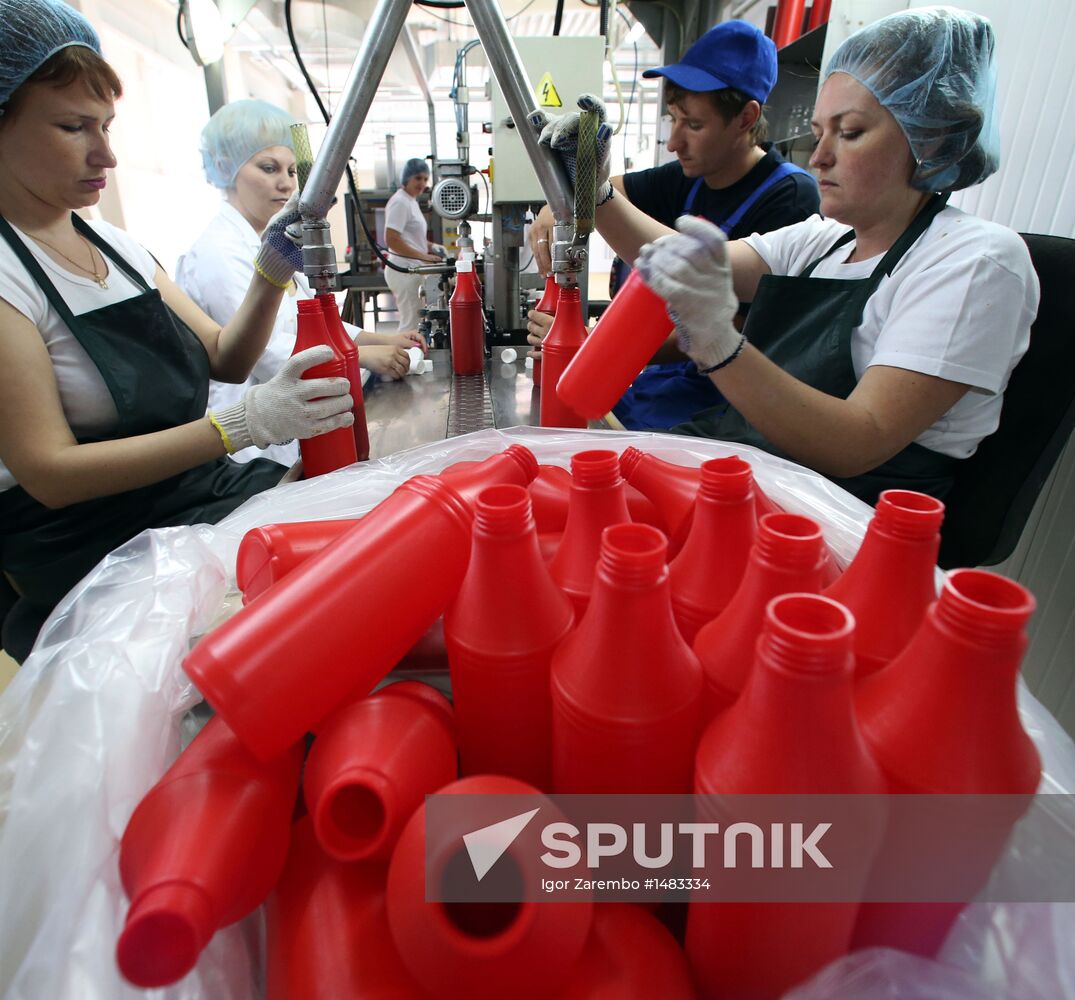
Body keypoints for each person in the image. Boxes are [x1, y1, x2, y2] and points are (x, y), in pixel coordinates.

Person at [531, 7, 1038, 505]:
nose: (819, 157)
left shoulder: (975, 261)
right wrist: (595, 191)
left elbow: (858, 441)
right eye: (818, 134)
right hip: (753, 470)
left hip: (839, 513)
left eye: (850, 132)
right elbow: (678, 260)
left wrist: (717, 342)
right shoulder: (825, 240)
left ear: (933, 136)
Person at [0, 0, 352, 661]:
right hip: (90, 544)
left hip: (192, 494)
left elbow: (224, 356)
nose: (106, 153)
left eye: (107, 126)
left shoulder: (115, 247)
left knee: (360, 535)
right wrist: (240, 425)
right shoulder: (6, 273)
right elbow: (49, 472)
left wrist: (270, 272)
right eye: (73, 127)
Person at [527, 20, 820, 429]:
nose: (674, 142)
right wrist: (559, 201)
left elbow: (732, 327)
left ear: (745, 118)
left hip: (723, 407)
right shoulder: (691, 174)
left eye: (694, 125)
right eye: (673, 119)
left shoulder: (789, 196)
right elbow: (609, 191)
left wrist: (602, 347)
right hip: (660, 387)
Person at [178, 100, 422, 464]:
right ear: (227, 168)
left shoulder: (271, 241)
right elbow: (263, 354)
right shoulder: (218, 254)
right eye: (268, 168)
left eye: (292, 170)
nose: (286, 183)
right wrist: (362, 357)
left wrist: (381, 339)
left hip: (292, 426)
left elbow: (310, 323)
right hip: (249, 449)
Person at [383, 157, 441, 332]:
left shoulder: (410, 201)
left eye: (425, 179)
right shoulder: (400, 202)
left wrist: (431, 246)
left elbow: (410, 236)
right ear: (406, 178)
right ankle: (404, 350)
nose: (422, 183)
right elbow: (392, 239)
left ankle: (412, 348)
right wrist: (423, 256)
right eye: (418, 178)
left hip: (412, 269)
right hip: (403, 270)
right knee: (411, 323)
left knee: (417, 321)